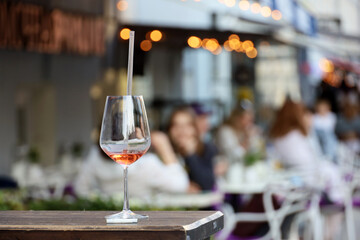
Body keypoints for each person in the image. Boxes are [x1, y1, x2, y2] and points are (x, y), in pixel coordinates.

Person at [74, 131, 189, 200]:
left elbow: (80, 189)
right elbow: (180, 186)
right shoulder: (148, 163)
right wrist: (165, 148)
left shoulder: (94, 159)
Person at [269, 99, 344, 203]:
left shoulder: (279, 137)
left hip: (293, 178)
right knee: (331, 170)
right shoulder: (297, 136)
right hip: (307, 181)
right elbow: (310, 160)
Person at [167, 106, 216, 192]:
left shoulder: (206, 149)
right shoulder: (163, 152)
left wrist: (190, 154)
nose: (181, 130)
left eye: (187, 125)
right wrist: (184, 187)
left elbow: (207, 184)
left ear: (195, 129)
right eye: (176, 125)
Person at [216, 100, 263, 166]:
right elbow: (233, 157)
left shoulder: (245, 130)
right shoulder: (225, 131)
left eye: (250, 119)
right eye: (246, 118)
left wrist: (254, 138)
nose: (249, 123)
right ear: (236, 118)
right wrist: (246, 139)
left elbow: (255, 154)